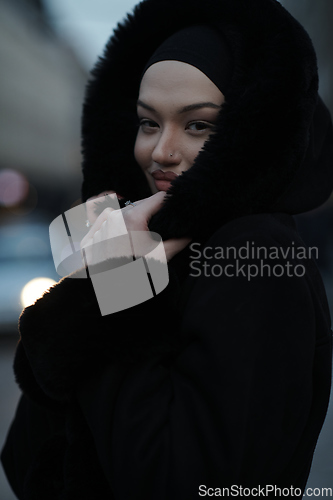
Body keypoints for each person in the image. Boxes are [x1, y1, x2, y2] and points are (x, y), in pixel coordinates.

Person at [2, 0, 333, 498]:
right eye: (148, 122)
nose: (160, 151)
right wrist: (92, 286)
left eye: (199, 125)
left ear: (250, 133)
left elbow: (185, 483)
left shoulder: (255, 255)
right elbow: (27, 458)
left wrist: (112, 288)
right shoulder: (153, 246)